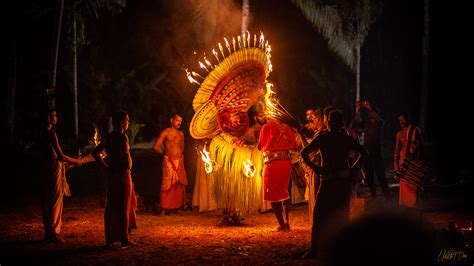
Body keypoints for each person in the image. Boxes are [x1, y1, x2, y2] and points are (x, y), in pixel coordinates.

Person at [301, 109, 368, 258]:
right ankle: (342, 249)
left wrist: (316, 168)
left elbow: (303, 153)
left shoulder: (323, 138)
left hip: (329, 181)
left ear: (328, 123)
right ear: (341, 123)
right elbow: (364, 152)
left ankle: (315, 249)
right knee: (342, 216)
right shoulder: (345, 139)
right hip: (343, 181)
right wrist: (353, 168)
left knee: (319, 215)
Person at [92, 111, 137, 248]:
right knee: (123, 206)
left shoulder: (109, 137)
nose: (128, 123)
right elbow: (123, 156)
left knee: (112, 206)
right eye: (127, 120)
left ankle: (110, 239)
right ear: (122, 122)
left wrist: (105, 167)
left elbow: (95, 153)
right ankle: (124, 239)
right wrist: (126, 165)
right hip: (122, 175)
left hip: (112, 175)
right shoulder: (122, 137)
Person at [39, 108, 83, 243]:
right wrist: (76, 161)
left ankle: (49, 232)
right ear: (48, 118)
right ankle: (52, 233)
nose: (56, 117)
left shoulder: (41, 134)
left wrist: (71, 162)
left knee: (48, 200)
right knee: (55, 199)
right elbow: (60, 156)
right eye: (54, 115)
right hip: (53, 168)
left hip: (46, 168)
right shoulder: (51, 134)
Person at [258, 115, 297, 231]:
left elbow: (261, 146)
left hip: (273, 164)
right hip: (286, 163)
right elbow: (294, 146)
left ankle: (282, 224)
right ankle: (287, 222)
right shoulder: (286, 127)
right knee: (284, 191)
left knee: (273, 194)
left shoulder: (266, 127)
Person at [353, 100, 390, 199]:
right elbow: (357, 122)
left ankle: (387, 196)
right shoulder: (366, 124)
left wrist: (368, 107)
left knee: (381, 176)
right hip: (367, 153)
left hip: (376, 154)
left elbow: (379, 118)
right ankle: (374, 196)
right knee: (369, 176)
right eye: (369, 113)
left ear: (376, 114)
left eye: (372, 112)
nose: (370, 114)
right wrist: (358, 109)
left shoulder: (379, 123)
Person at [153, 113, 188, 215]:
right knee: (167, 183)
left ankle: (177, 208)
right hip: (169, 161)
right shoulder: (166, 132)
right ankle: (164, 208)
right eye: (177, 121)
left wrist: (180, 156)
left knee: (179, 184)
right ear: (171, 120)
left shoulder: (181, 134)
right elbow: (156, 146)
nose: (179, 123)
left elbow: (182, 148)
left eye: (180, 122)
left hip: (179, 161)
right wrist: (166, 154)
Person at [393, 113, 424, 208]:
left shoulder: (414, 131)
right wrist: (395, 162)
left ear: (407, 119)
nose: (401, 122)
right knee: (404, 185)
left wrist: (413, 154)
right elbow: (397, 149)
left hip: (413, 161)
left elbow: (419, 145)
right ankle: (405, 204)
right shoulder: (399, 134)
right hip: (403, 162)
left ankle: (414, 205)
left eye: (403, 119)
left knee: (413, 184)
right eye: (400, 120)